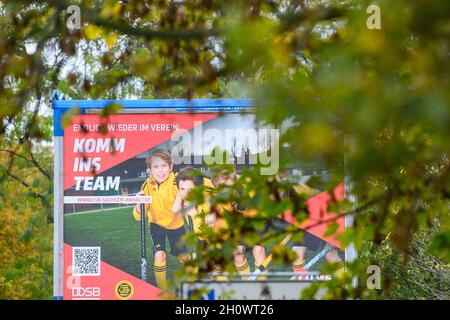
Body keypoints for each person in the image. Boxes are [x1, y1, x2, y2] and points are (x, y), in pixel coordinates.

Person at [132, 149, 187, 289]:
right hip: (156, 225)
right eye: (155, 167)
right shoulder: (146, 185)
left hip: (176, 226)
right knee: (160, 255)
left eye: (164, 166)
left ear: (171, 166)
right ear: (149, 170)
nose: (160, 171)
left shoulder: (177, 182)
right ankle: (161, 289)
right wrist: (139, 203)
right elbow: (138, 217)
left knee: (183, 257)